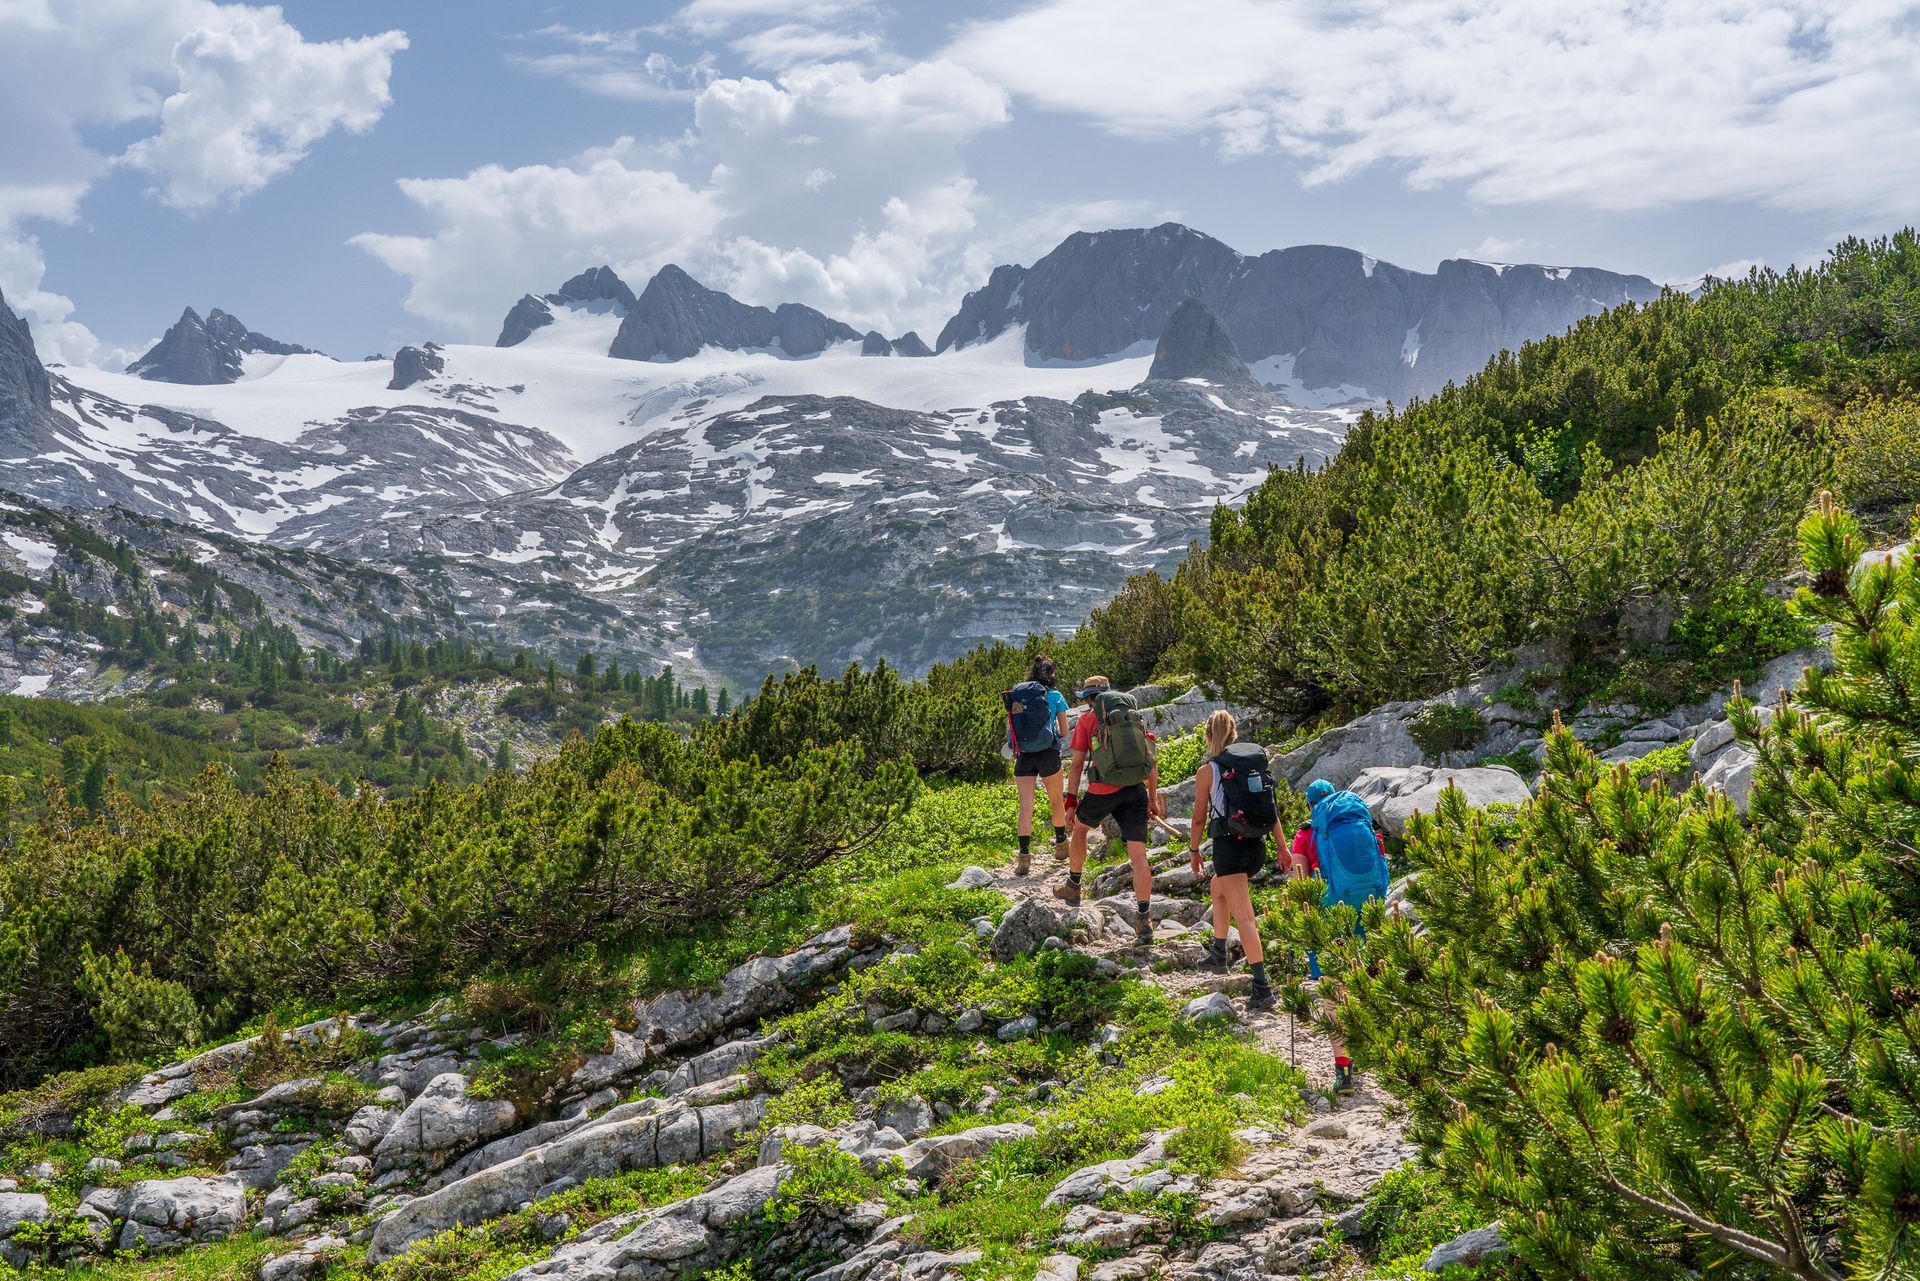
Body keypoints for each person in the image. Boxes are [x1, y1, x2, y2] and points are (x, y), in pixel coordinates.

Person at [1287, 777, 1390, 1094]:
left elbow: (1300, 883)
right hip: (1366, 909)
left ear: (1310, 807)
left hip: (1328, 915)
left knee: (1332, 990)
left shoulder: (1305, 834)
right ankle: (1377, 1051)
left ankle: (1344, 1071)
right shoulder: (1360, 823)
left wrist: (1296, 922)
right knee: (1362, 978)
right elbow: (1381, 867)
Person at [1053, 675, 1162, 950]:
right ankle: (1144, 919)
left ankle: (1073, 884)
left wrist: (1070, 802)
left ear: (1090, 699)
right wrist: (1151, 798)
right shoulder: (1133, 717)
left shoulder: (1089, 720)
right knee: (1138, 855)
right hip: (1134, 789)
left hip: (1102, 790)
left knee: (1080, 828)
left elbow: (1077, 765)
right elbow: (1150, 760)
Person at [1188, 710, 1279, 1011]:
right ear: (1234, 734)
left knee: (1246, 919)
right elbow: (1271, 810)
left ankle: (1262, 988)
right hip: (1256, 848)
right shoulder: (1252, 767)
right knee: (1218, 888)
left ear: (1209, 736)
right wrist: (1282, 847)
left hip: (1230, 848)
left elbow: (1199, 818)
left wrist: (1193, 850)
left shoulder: (1209, 771)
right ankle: (1218, 952)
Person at [1004, 656, 1073, 877]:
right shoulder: (1055, 696)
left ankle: (1024, 857)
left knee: (1025, 807)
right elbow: (1064, 731)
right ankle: (1061, 845)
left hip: (1024, 755)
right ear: (1052, 674)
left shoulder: (1019, 696)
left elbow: (1010, 730)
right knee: (1055, 801)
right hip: (1048, 754)